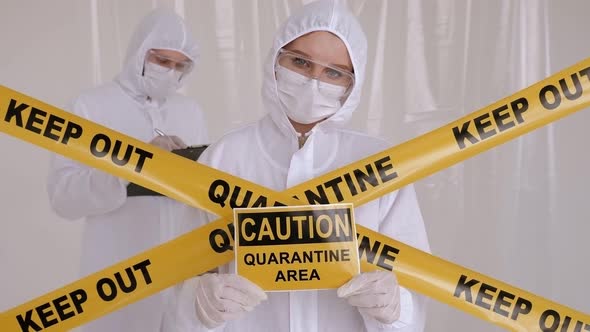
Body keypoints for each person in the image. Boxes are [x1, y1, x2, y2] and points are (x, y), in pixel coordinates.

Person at [162, 0, 430, 331]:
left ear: (353, 83)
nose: (313, 80)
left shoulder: (378, 164)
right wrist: (198, 303)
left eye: (334, 72)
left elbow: (417, 291)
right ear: (276, 59)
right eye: (300, 62)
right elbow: (183, 279)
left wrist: (396, 305)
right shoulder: (224, 158)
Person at [46, 8, 208, 332]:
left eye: (180, 66)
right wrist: (133, 166)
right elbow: (63, 196)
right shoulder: (91, 106)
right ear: (139, 52)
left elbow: (203, 196)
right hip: (116, 278)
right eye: (162, 61)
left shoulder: (190, 111)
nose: (171, 72)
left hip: (181, 278)